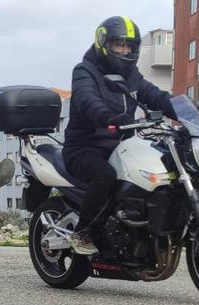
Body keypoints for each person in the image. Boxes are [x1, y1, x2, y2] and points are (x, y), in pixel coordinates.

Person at [63, 15, 177, 254]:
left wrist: (191, 111)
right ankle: (83, 232)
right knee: (104, 175)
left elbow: (156, 96)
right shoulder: (85, 71)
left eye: (129, 45)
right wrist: (108, 117)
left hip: (119, 145)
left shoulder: (132, 76)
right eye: (119, 44)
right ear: (103, 44)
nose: (124, 50)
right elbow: (87, 100)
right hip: (85, 147)